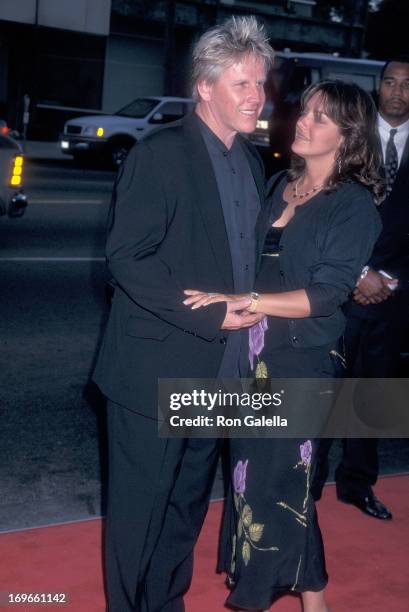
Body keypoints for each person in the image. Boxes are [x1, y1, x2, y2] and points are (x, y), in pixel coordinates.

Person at [92, 16, 274, 612]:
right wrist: (211, 314)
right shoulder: (161, 154)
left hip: (223, 372)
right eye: (243, 84)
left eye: (261, 84)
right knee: (139, 515)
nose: (258, 96)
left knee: (185, 509)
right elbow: (126, 257)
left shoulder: (250, 161)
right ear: (205, 86)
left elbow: (244, 260)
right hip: (155, 371)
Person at [183, 80, 383, 611]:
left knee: (275, 483)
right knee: (261, 481)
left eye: (322, 118)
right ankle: (315, 602)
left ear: (349, 137)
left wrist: (245, 298)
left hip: (301, 360)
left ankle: (254, 599)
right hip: (250, 354)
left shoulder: (354, 207)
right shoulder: (278, 185)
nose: (305, 121)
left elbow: (324, 296)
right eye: (307, 111)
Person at [312, 57, 409, 520]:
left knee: (375, 394)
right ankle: (306, 485)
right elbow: (321, 205)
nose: (397, 91)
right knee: (325, 391)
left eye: (408, 84)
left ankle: (357, 484)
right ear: (378, 86)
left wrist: (393, 279)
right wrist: (357, 272)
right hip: (339, 286)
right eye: (389, 81)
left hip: (393, 297)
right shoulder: (349, 137)